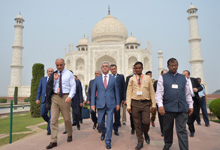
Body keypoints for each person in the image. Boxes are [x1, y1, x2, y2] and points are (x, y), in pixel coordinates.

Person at [156, 58, 193, 150]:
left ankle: (184, 148)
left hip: (182, 108)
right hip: (168, 108)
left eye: (176, 65)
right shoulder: (163, 78)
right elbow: (159, 93)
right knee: (167, 128)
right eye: (172, 65)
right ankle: (168, 144)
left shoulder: (183, 78)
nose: (174, 67)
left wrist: (190, 105)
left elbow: (187, 93)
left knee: (182, 130)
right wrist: (160, 105)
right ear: (168, 66)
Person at [45, 58, 76, 149]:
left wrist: (70, 96)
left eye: (60, 65)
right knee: (53, 120)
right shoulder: (54, 74)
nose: (59, 67)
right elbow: (49, 86)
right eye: (57, 65)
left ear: (64, 64)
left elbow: (73, 86)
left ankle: (69, 134)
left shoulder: (69, 74)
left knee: (67, 119)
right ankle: (53, 140)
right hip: (55, 97)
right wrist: (54, 80)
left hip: (65, 97)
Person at [127, 61, 156, 150]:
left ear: (142, 69)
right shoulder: (131, 79)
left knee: (146, 122)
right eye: (137, 68)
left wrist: (154, 104)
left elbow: (152, 92)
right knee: (137, 124)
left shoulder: (148, 78)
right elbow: (129, 93)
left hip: (146, 103)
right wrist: (128, 105)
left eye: (140, 68)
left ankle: (146, 133)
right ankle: (140, 141)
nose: (138, 69)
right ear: (134, 69)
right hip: (135, 103)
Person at [91, 61, 120, 149]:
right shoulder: (97, 79)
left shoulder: (113, 78)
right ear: (101, 68)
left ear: (109, 68)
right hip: (100, 103)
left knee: (110, 122)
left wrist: (118, 103)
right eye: (103, 66)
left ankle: (108, 141)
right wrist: (92, 103)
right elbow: (93, 92)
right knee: (100, 122)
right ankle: (104, 132)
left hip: (111, 103)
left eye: (106, 66)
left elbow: (116, 92)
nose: (105, 67)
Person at [182, 70, 203, 137]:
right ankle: (191, 130)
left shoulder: (194, 80)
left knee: (196, 114)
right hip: (186, 101)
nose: (183, 76)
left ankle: (191, 123)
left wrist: (197, 89)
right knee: (189, 117)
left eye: (185, 75)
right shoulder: (181, 82)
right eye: (183, 75)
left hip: (195, 100)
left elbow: (201, 87)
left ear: (188, 75)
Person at [36, 68, 54, 135]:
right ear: (47, 72)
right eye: (49, 71)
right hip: (44, 99)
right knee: (43, 113)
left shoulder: (55, 79)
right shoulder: (43, 79)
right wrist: (37, 98)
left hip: (51, 99)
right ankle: (49, 122)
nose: (50, 72)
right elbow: (39, 89)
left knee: (51, 115)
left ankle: (49, 129)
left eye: (51, 71)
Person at [110, 64, 126, 136]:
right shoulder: (109, 77)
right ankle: (110, 127)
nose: (113, 70)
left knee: (117, 114)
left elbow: (123, 88)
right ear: (110, 70)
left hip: (118, 98)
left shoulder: (121, 77)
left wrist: (123, 98)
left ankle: (116, 128)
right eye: (112, 69)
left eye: (114, 69)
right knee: (110, 113)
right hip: (110, 98)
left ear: (116, 69)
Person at [153, 69, 168, 137]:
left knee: (168, 117)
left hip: (168, 102)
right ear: (161, 75)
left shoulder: (170, 82)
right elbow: (154, 92)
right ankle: (163, 131)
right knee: (161, 117)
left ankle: (167, 130)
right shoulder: (156, 82)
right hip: (160, 102)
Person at [125, 66, 136, 135]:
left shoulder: (144, 77)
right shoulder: (128, 78)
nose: (135, 70)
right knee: (132, 114)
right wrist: (126, 99)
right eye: (134, 68)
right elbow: (126, 89)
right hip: (132, 99)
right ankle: (133, 127)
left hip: (141, 99)